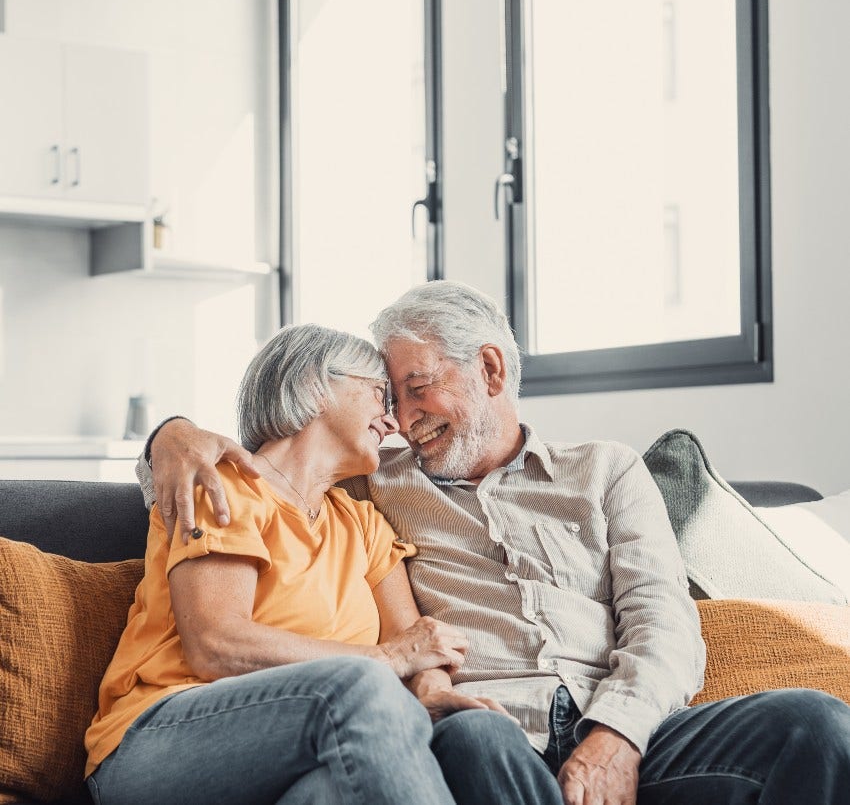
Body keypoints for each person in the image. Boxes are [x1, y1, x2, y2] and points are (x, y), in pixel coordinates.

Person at [143, 281, 850, 805]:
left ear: (489, 369)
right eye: (388, 398)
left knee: (812, 722)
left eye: (417, 389)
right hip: (489, 730)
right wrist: (166, 435)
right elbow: (267, 470)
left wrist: (618, 734)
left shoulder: (604, 471)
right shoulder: (373, 484)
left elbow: (663, 621)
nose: (403, 421)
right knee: (476, 741)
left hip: (622, 720)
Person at [86, 322, 535, 805]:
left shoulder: (362, 523)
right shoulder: (223, 485)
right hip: (161, 735)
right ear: (314, 386)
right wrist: (386, 661)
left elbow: (412, 642)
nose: (395, 423)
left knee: (422, 756)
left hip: (297, 748)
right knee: (362, 686)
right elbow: (215, 644)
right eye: (380, 396)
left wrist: (429, 687)